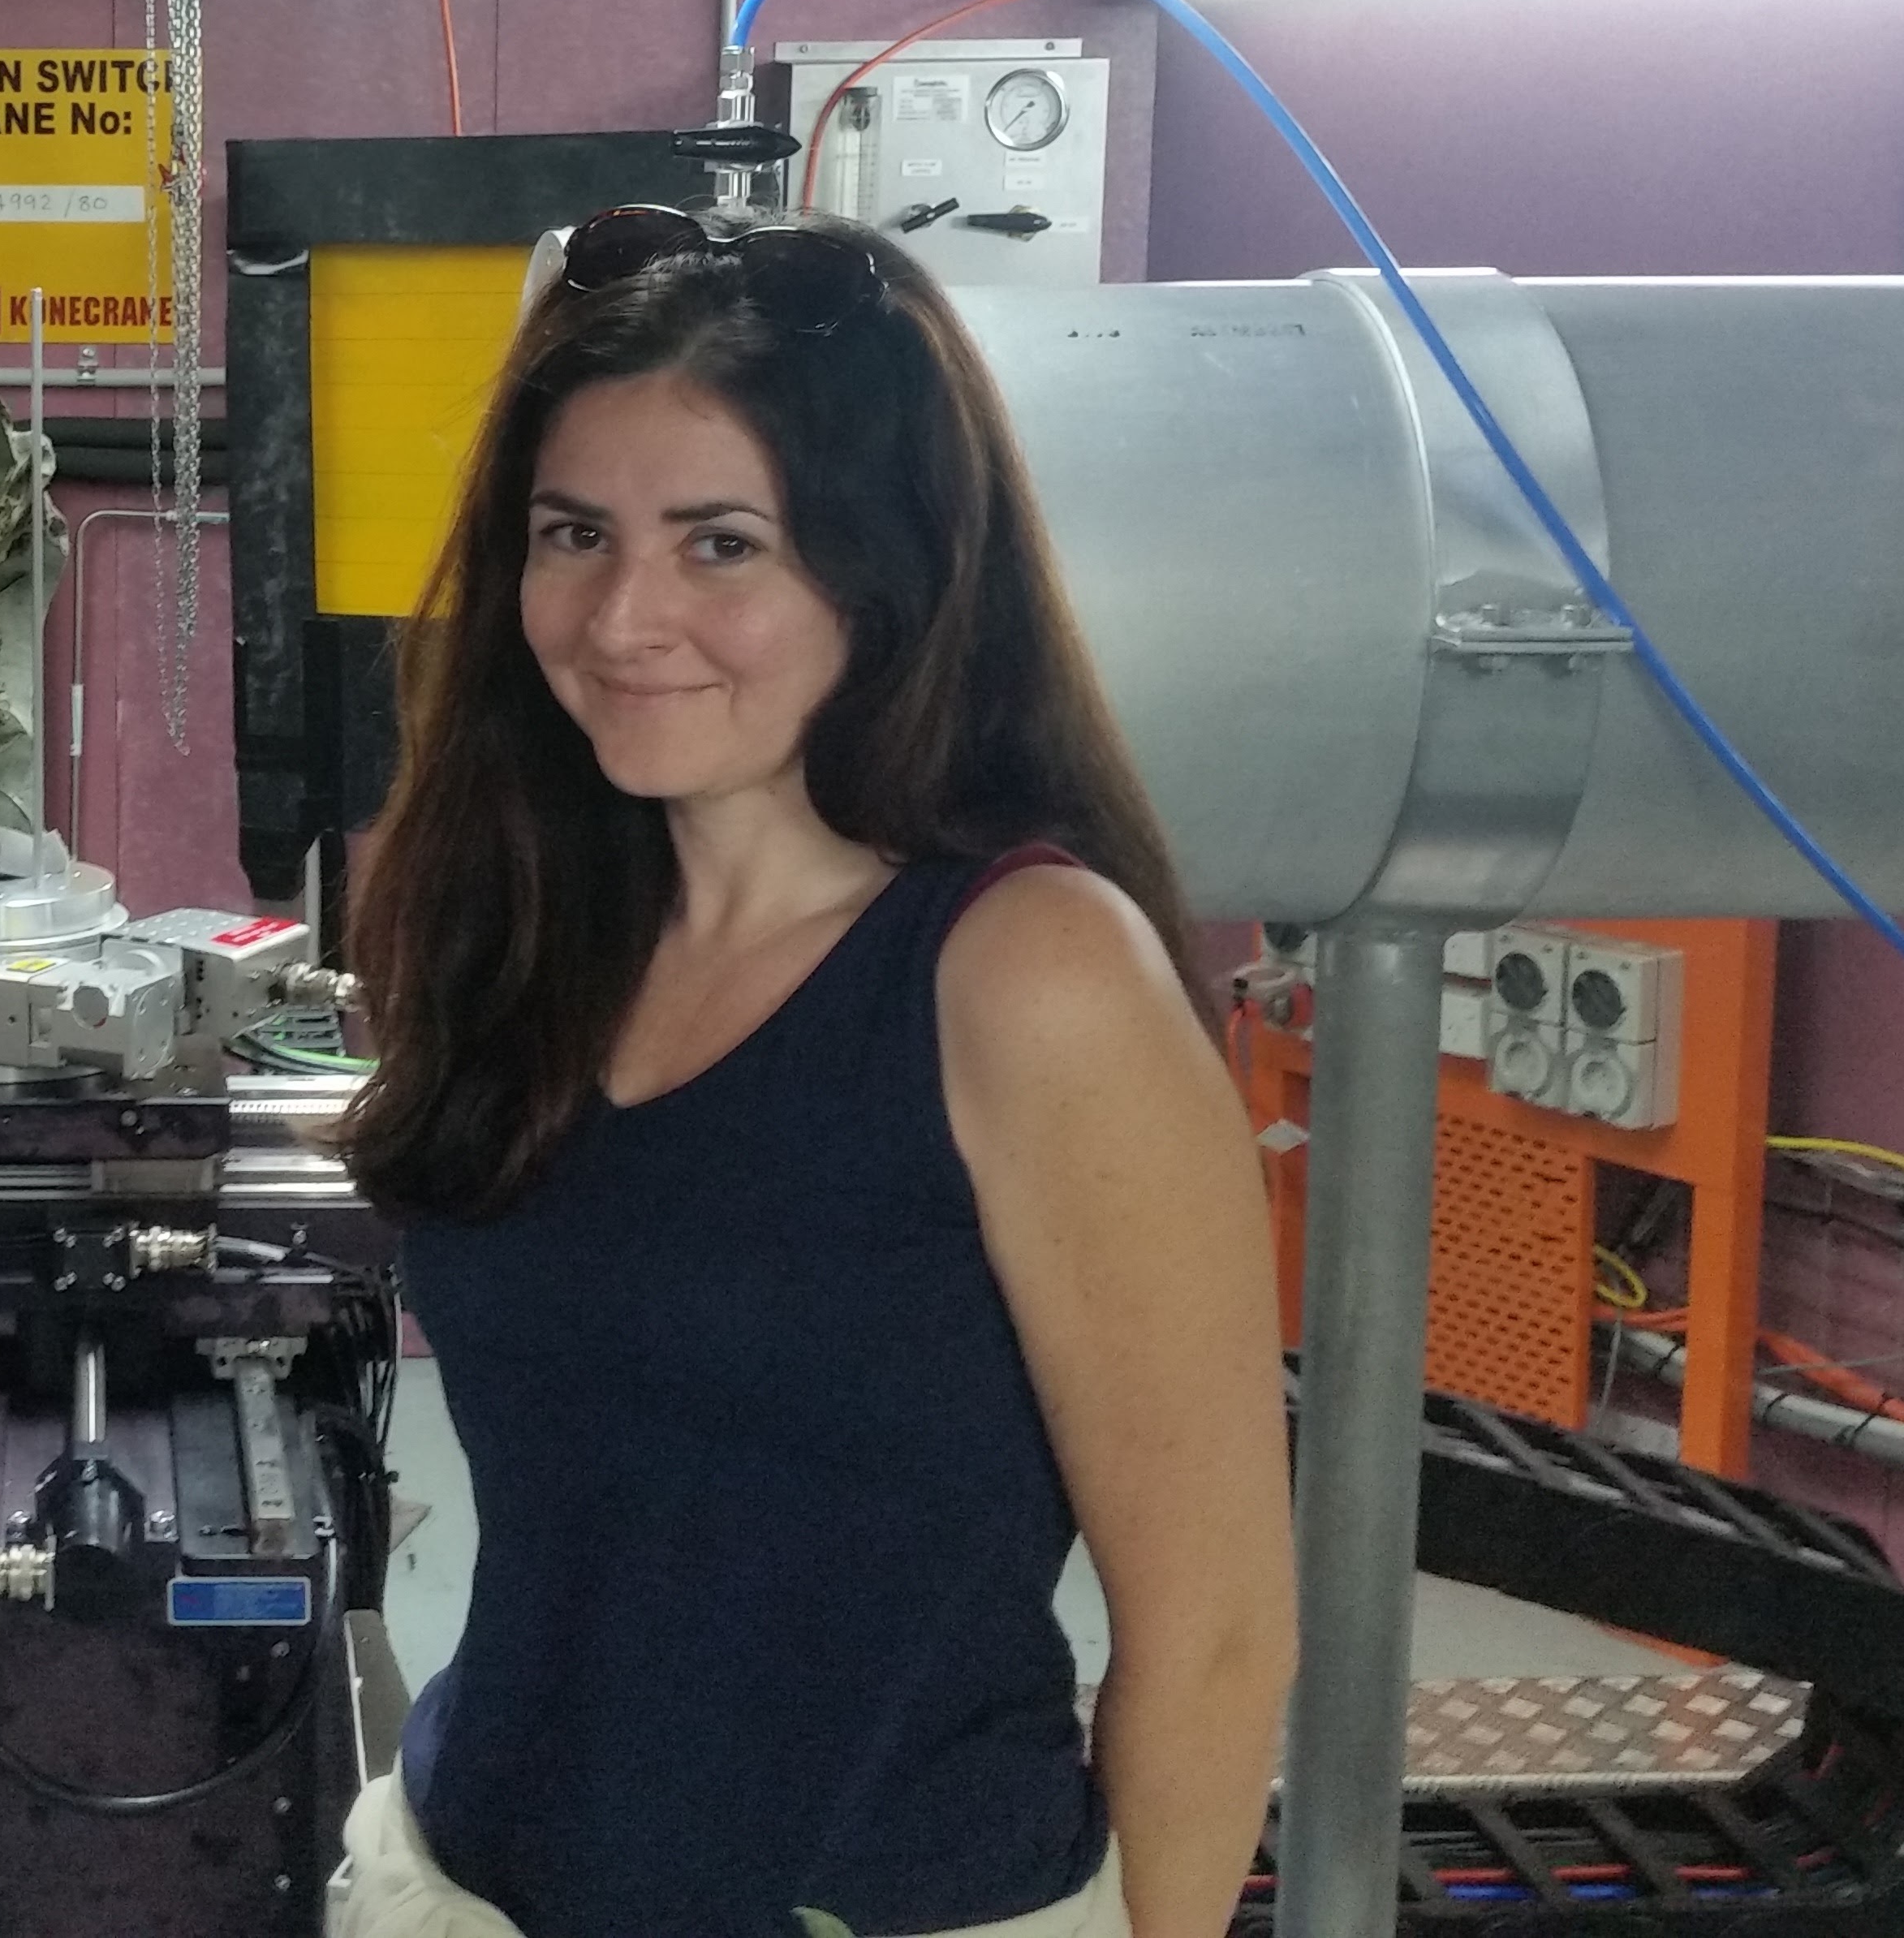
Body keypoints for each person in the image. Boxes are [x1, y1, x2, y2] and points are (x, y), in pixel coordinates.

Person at [325, 207, 1295, 1938]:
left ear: (885, 573)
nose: (624, 616)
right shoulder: (541, 924)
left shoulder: (1028, 973)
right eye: (573, 534)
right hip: (460, 1880)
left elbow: (1216, 1633)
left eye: (722, 544)